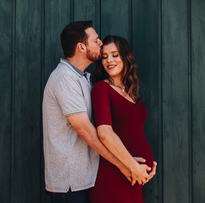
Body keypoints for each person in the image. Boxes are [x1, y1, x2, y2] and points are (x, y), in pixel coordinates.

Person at [43, 21, 137, 202]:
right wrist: (124, 165)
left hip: (87, 180)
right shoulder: (65, 79)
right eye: (96, 41)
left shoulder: (85, 78)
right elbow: (86, 131)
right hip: (70, 185)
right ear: (81, 47)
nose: (101, 43)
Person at [90, 35, 156, 203]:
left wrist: (147, 167)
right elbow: (104, 133)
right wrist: (134, 167)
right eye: (104, 56)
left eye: (115, 55)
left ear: (128, 57)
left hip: (133, 178)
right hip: (115, 177)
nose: (109, 60)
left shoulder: (129, 91)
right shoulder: (101, 89)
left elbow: (132, 132)